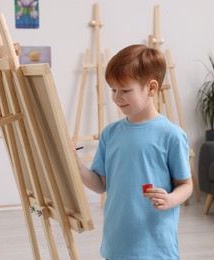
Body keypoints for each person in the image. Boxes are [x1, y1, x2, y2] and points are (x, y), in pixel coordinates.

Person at [74, 44, 193, 260]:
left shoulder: (171, 135)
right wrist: (77, 166)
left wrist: (171, 199)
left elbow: (186, 185)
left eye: (125, 90)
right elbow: (101, 185)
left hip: (155, 247)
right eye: (113, 90)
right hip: (116, 244)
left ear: (151, 88)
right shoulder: (110, 134)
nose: (117, 98)